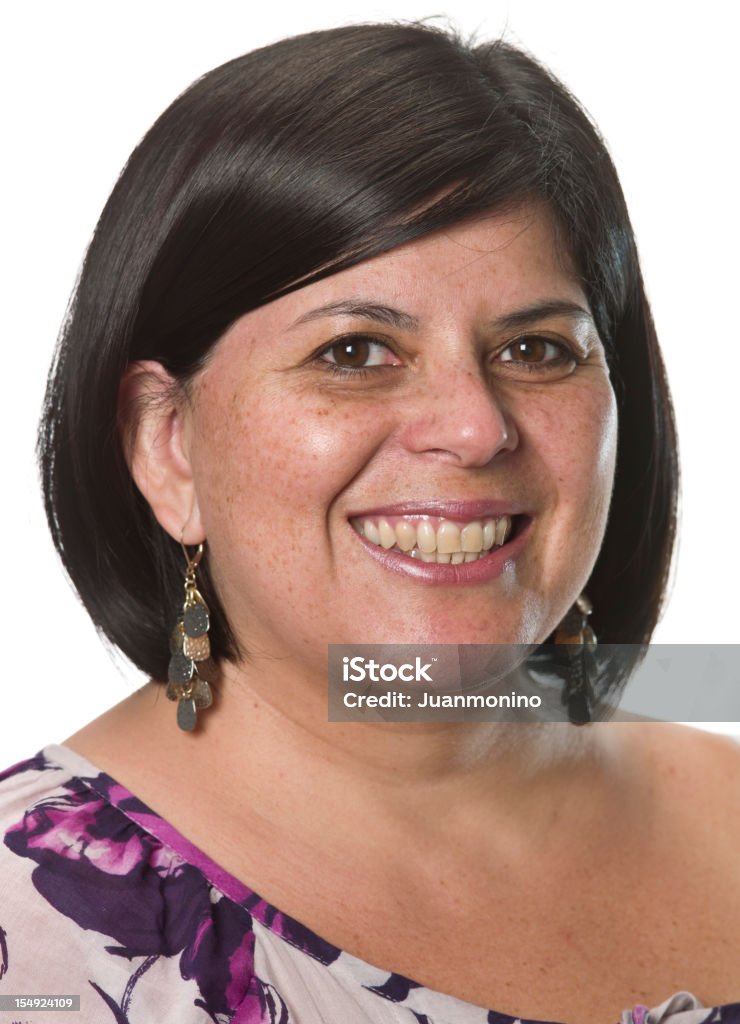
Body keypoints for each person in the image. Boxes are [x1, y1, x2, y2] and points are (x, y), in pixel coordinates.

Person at [1, 21, 738, 1024]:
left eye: (534, 348)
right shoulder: (28, 940)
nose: (475, 428)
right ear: (168, 443)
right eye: (354, 353)